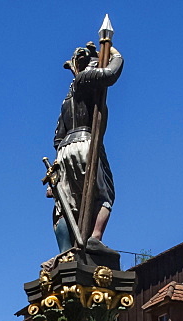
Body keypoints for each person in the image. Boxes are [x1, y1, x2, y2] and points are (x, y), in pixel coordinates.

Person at [51, 40, 124, 252]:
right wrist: (114, 52)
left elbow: (57, 137)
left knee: (66, 204)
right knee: (106, 194)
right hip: (85, 143)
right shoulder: (85, 79)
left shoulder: (67, 99)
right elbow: (112, 73)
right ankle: (95, 237)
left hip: (64, 151)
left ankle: (65, 252)